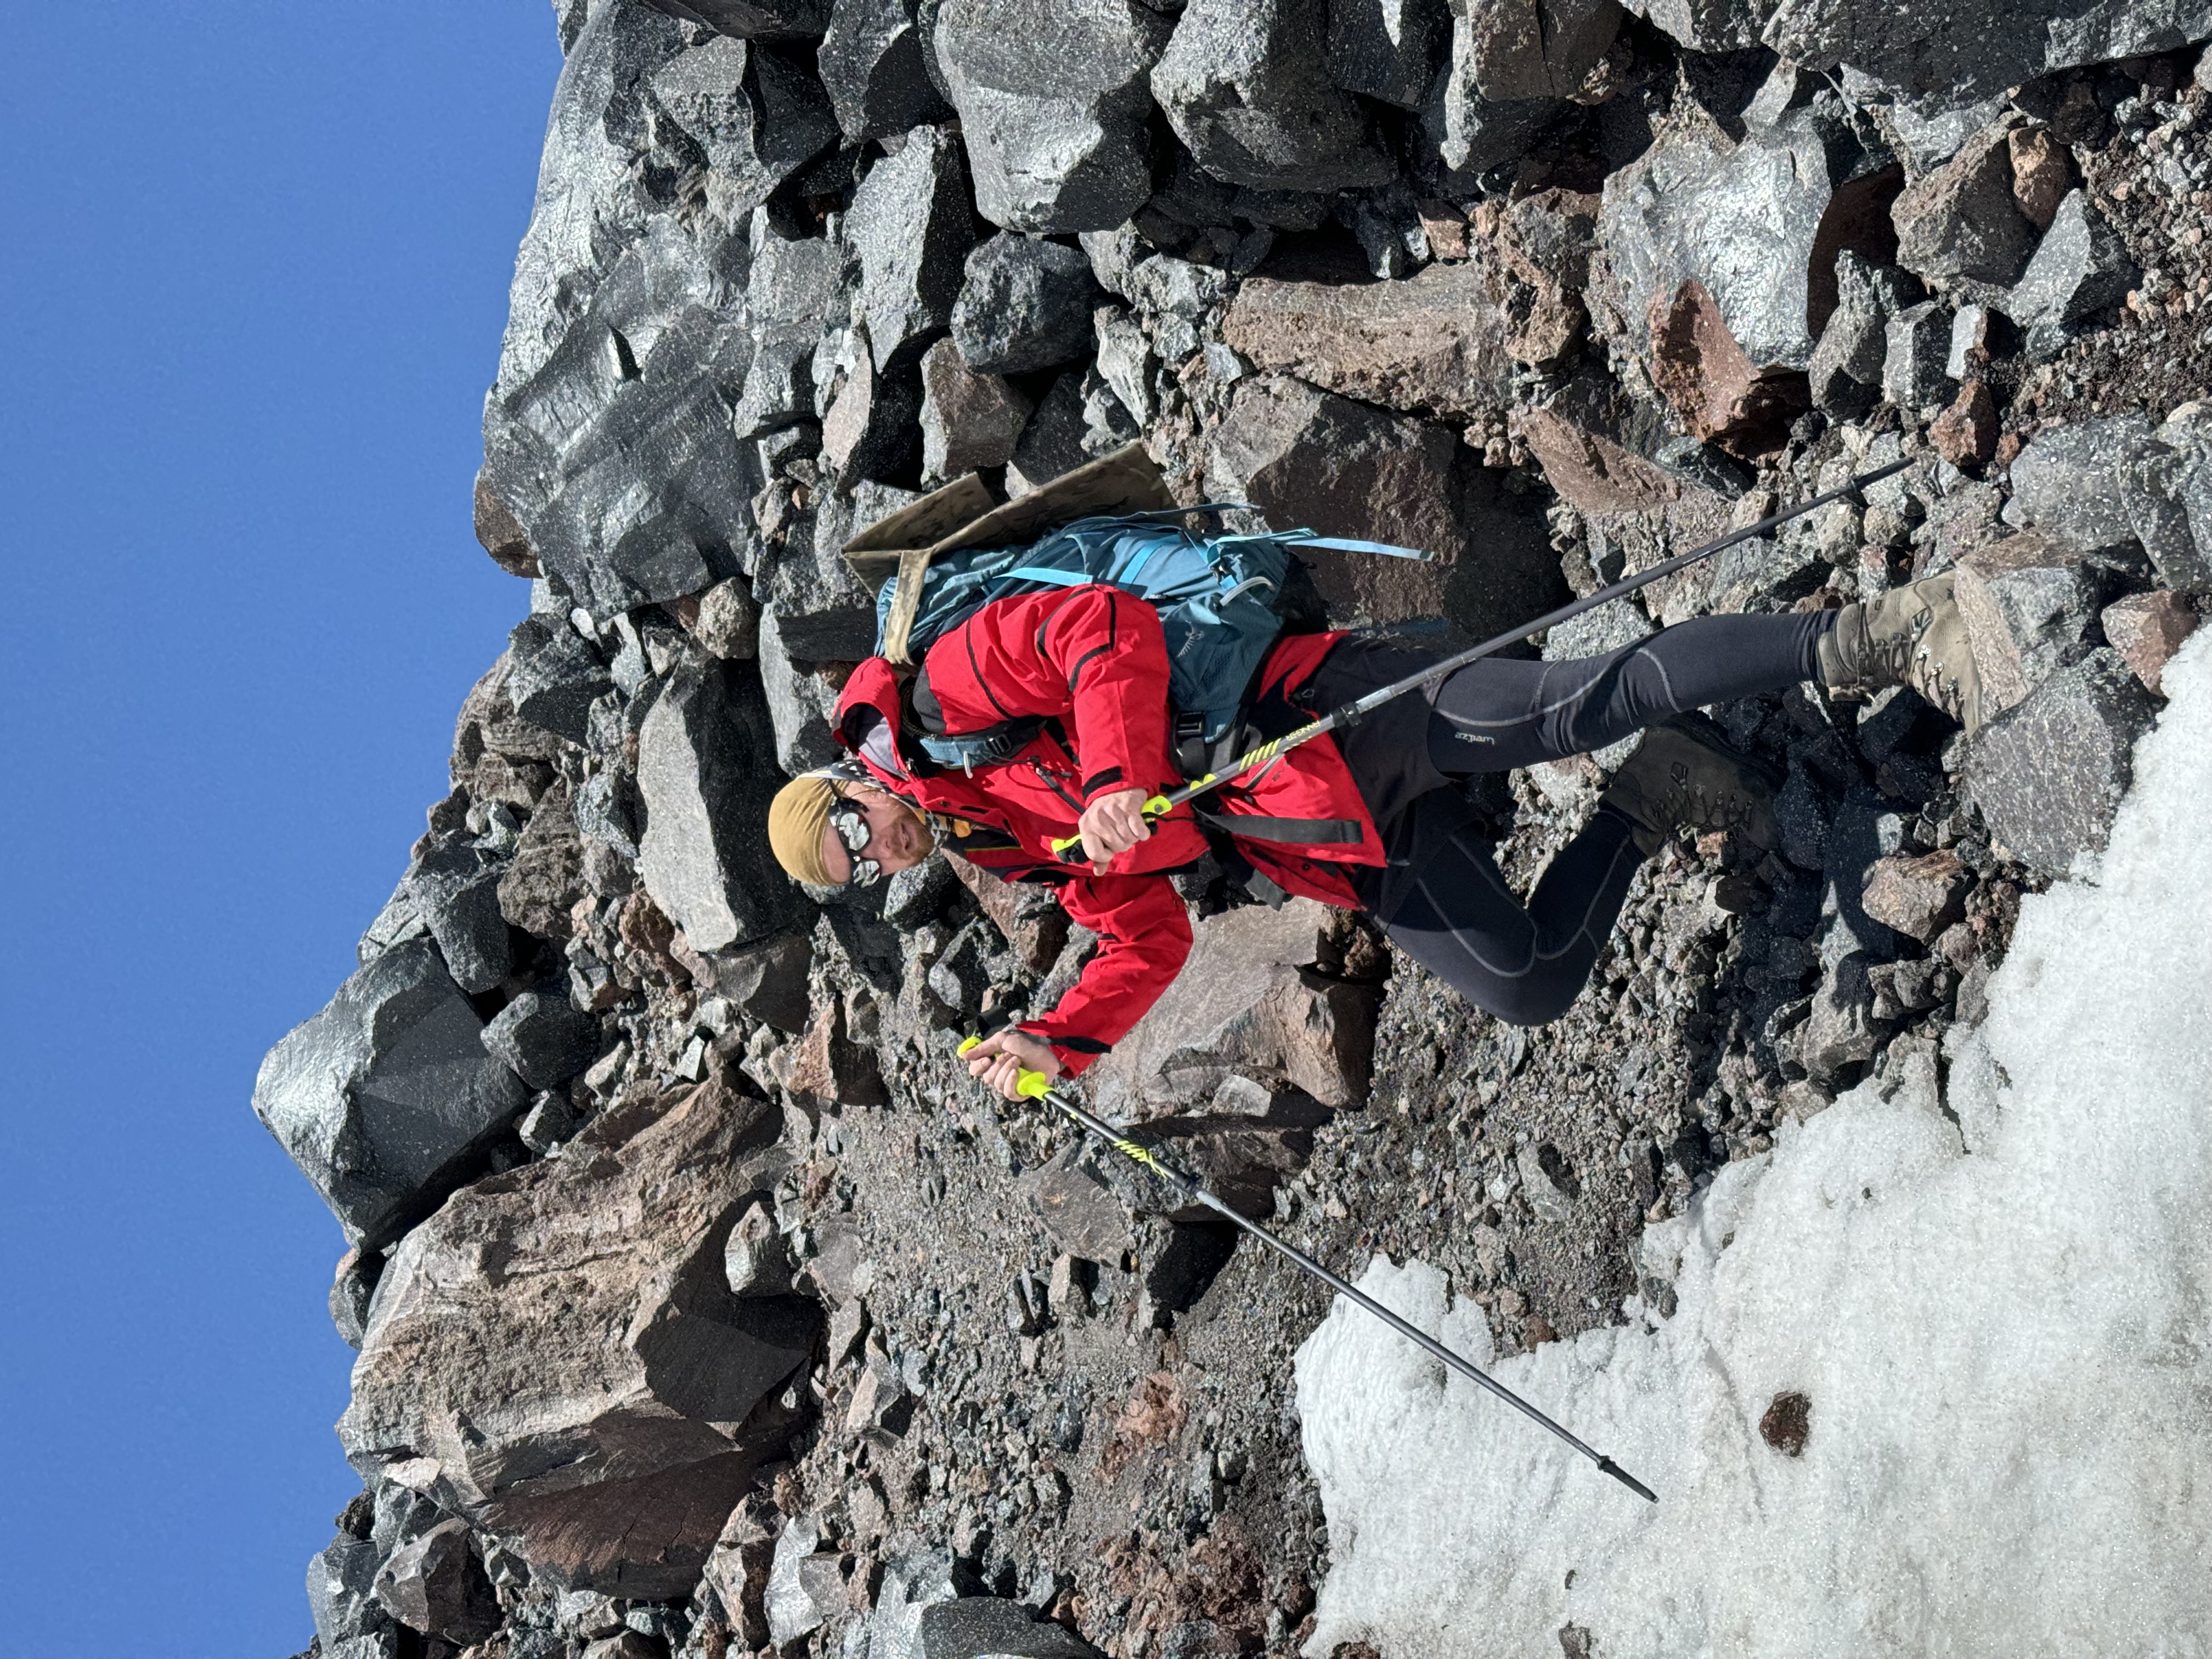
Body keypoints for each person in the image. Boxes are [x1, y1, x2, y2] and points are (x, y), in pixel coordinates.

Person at [766, 569, 1982, 1103]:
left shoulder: (946, 700)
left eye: (853, 835)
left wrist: (1116, 774)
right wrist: (1058, 1037)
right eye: (858, 876)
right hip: (1317, 833)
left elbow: (1101, 627)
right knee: (1525, 981)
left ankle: (1880, 632)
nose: (879, 860)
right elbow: (1144, 932)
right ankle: (1661, 789)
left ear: (850, 781)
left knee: (1574, 704)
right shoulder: (987, 837)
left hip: (1316, 715)